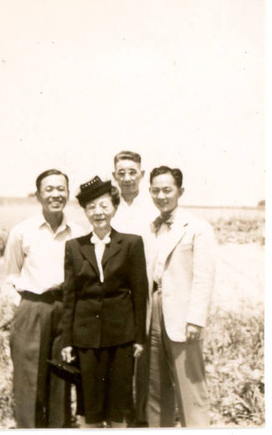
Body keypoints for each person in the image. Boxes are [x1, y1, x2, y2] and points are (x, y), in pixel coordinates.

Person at [61, 176, 148, 428]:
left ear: (114, 207)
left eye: (103, 205)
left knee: (118, 405)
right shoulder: (73, 247)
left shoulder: (132, 243)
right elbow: (70, 297)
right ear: (85, 212)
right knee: (90, 405)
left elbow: (139, 293)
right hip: (86, 338)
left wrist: (138, 337)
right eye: (91, 207)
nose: (98, 212)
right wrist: (67, 340)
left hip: (121, 336)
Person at [4, 169, 85, 428]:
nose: (55, 194)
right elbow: (11, 274)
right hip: (32, 308)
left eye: (61, 189)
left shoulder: (79, 232)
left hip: (65, 308)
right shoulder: (22, 231)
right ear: (38, 195)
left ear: (68, 194)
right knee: (29, 380)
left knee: (61, 378)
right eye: (49, 189)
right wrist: (23, 307)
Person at [146, 165, 216, 427]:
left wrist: (196, 319)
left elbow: (203, 277)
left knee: (191, 389)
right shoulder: (152, 228)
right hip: (154, 311)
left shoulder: (198, 228)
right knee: (157, 386)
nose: (161, 196)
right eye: (155, 190)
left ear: (180, 191)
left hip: (184, 317)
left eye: (167, 190)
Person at [111, 150, 156, 426]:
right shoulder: (109, 207)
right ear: (114, 176)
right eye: (121, 173)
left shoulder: (153, 208)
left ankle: (145, 418)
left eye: (132, 172)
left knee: (147, 358)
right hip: (117, 296)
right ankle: (121, 417)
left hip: (148, 291)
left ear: (142, 173)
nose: (127, 178)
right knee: (120, 358)